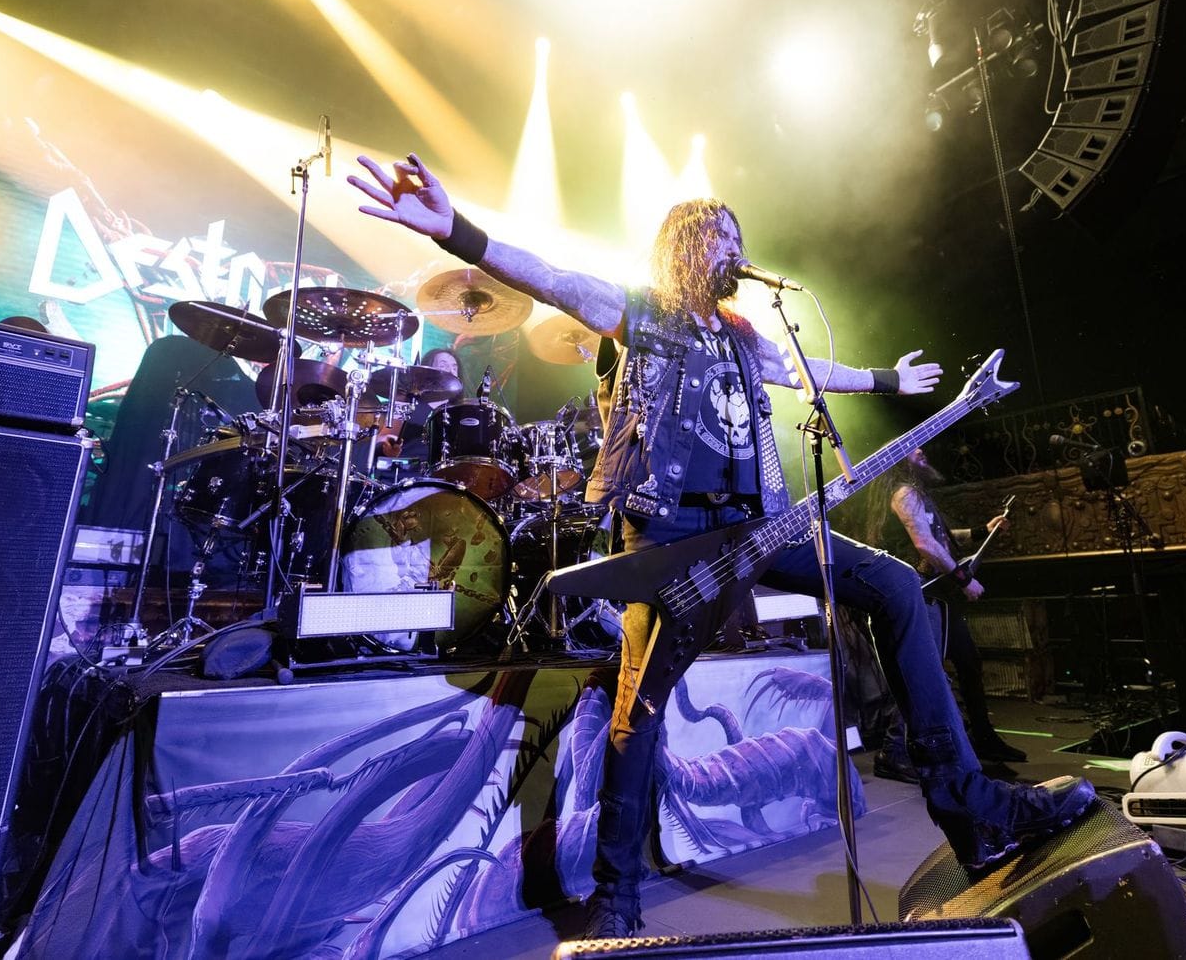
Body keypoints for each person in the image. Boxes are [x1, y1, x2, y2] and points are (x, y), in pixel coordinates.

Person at [349, 153, 1096, 938]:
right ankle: (616, 888)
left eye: (737, 234)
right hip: (671, 531)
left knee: (897, 585)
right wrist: (457, 232)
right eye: (717, 234)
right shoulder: (640, 311)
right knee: (639, 707)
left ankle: (972, 808)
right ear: (681, 247)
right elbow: (552, 278)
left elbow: (810, 371)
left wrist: (884, 379)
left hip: (758, 525)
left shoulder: (744, 337)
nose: (733, 246)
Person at [880, 447, 1025, 768]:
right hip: (921, 594)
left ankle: (983, 738)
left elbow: (941, 537)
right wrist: (963, 579)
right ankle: (893, 750)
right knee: (923, 670)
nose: (921, 450)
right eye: (913, 449)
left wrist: (982, 531)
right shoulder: (904, 494)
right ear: (899, 460)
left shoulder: (918, 494)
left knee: (968, 661)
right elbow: (924, 544)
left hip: (938, 594)